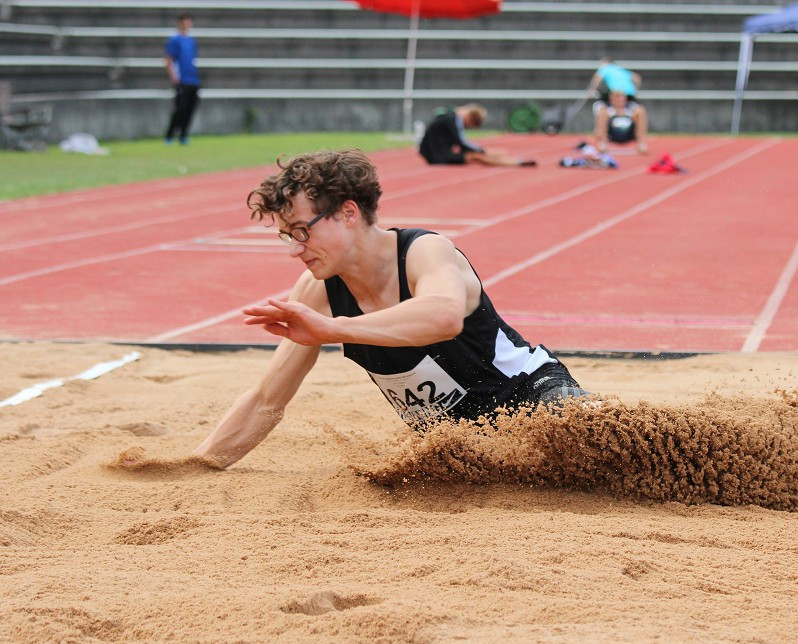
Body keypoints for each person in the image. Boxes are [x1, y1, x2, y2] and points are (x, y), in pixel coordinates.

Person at [193, 149, 587, 468]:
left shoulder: (423, 252)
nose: (295, 248)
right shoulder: (317, 291)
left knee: (602, 438)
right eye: (286, 237)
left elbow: (443, 317)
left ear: (348, 213)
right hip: (460, 445)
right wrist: (199, 464)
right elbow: (266, 399)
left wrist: (334, 330)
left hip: (532, 395)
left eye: (301, 231)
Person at [418, 104, 536, 167]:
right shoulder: (452, 120)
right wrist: (482, 150)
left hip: (438, 152)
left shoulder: (451, 117)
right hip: (437, 156)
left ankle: (515, 161)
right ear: (470, 118)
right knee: (477, 156)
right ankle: (516, 163)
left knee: (478, 154)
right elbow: (461, 142)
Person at [164, 13, 200, 146]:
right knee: (180, 109)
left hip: (193, 80)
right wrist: (174, 77)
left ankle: (184, 135)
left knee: (190, 109)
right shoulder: (175, 39)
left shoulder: (191, 40)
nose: (187, 24)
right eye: (185, 22)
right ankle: (169, 135)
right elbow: (169, 60)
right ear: (180, 23)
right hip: (182, 80)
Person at [592, 90, 648, 155]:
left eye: (622, 97)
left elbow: (639, 112)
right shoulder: (607, 109)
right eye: (617, 97)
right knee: (602, 114)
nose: (620, 99)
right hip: (612, 134)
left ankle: (641, 143)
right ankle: (602, 143)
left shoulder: (631, 108)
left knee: (641, 110)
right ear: (611, 99)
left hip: (628, 133)